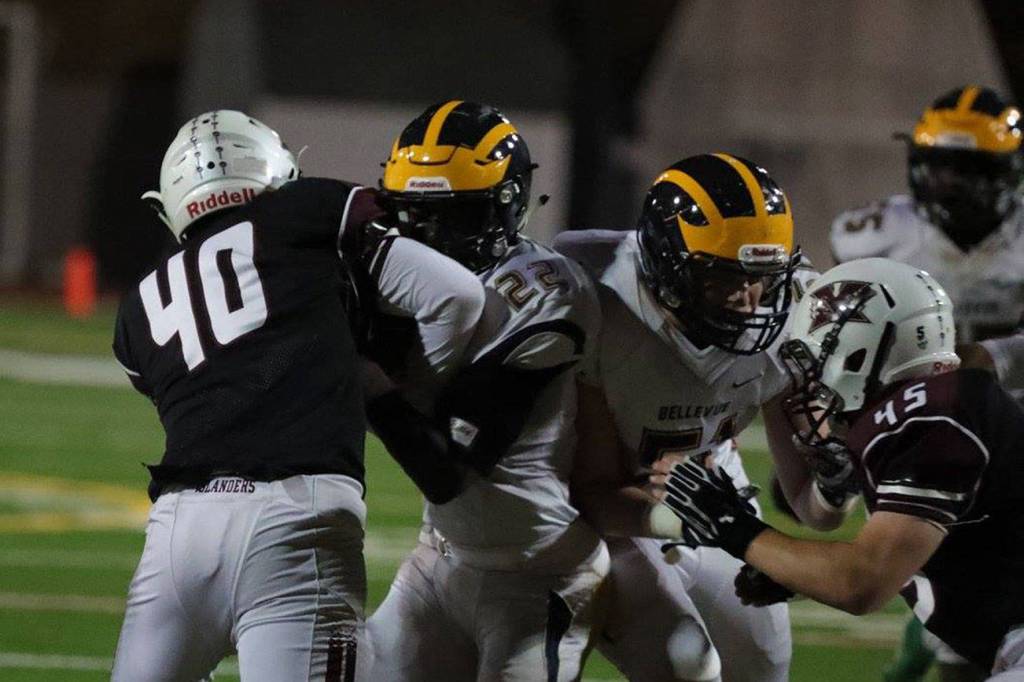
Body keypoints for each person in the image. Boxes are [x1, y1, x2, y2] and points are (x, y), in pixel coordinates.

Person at [109, 110, 486, 681]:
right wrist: (401, 389)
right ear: (274, 169)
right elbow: (457, 296)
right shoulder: (303, 210)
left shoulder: (139, 304)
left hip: (178, 534)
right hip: (297, 520)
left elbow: (204, 381)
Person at [655, 257, 1024, 681]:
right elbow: (936, 550)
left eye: (817, 357)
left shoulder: (929, 418)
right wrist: (795, 568)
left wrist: (734, 528)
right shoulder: (936, 408)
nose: (812, 380)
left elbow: (861, 583)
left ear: (860, 351)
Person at [553, 154, 847, 682]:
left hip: (712, 491)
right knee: (685, 665)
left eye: (762, 277)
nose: (746, 299)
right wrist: (703, 522)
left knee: (764, 661)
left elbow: (813, 510)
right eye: (723, 277)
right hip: (604, 522)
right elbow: (593, 490)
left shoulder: (797, 311)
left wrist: (835, 483)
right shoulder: (601, 299)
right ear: (666, 263)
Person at [365, 100, 609, 682]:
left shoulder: (545, 293)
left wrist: (364, 377)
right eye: (414, 215)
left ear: (507, 207)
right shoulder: (405, 277)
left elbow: (449, 468)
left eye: (452, 217)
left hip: (538, 574)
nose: (426, 238)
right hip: (438, 560)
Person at [829, 85, 1024, 681]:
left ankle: (930, 650)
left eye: (969, 169)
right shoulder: (873, 233)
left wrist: (985, 357)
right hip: (918, 425)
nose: (950, 185)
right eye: (939, 168)